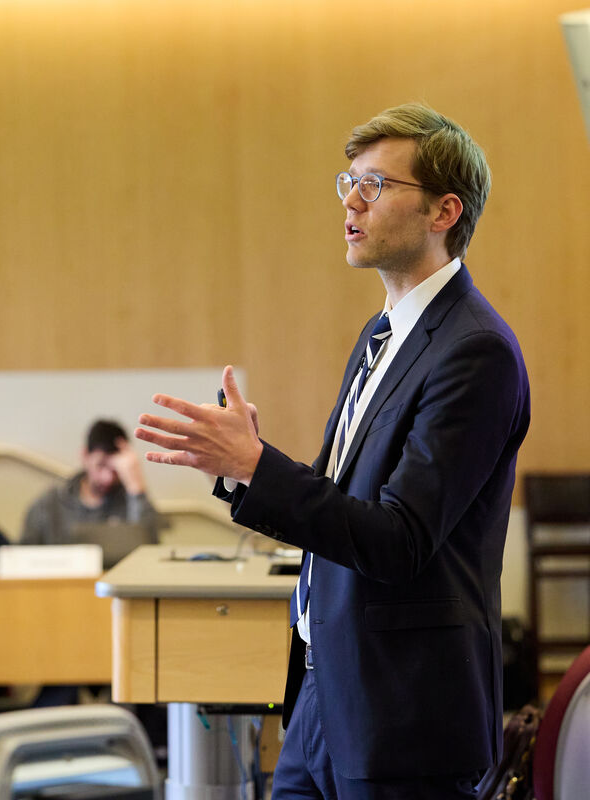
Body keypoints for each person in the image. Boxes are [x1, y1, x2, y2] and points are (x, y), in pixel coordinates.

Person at [136, 103, 530, 799]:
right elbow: (342, 500)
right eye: (349, 181)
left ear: (444, 212)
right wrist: (246, 467)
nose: (351, 200)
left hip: (405, 712)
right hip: (324, 689)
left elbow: (399, 539)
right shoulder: (380, 336)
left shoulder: (477, 352)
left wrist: (258, 468)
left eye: (375, 186)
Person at [20, 419, 167, 548]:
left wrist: (136, 486)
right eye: (101, 465)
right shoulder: (49, 504)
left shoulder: (131, 502)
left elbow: (150, 550)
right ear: (85, 456)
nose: (108, 477)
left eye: (116, 468)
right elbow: (21, 558)